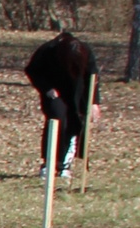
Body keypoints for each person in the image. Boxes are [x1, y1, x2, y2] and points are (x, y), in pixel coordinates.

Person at [24, 30, 95, 177]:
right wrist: (46, 88)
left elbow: (92, 77)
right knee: (57, 121)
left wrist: (94, 102)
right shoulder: (47, 50)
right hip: (55, 93)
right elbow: (32, 70)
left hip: (77, 93)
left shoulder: (86, 51)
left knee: (74, 124)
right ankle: (49, 162)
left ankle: (65, 164)